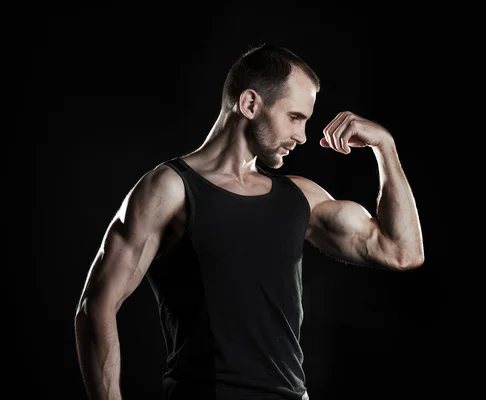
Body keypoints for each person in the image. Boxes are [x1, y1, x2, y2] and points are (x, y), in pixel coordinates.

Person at [74, 43, 424, 400]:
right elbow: (95, 307)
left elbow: (401, 251)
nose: (303, 136)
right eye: (295, 117)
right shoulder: (170, 189)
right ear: (250, 104)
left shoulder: (300, 197)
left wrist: (385, 147)